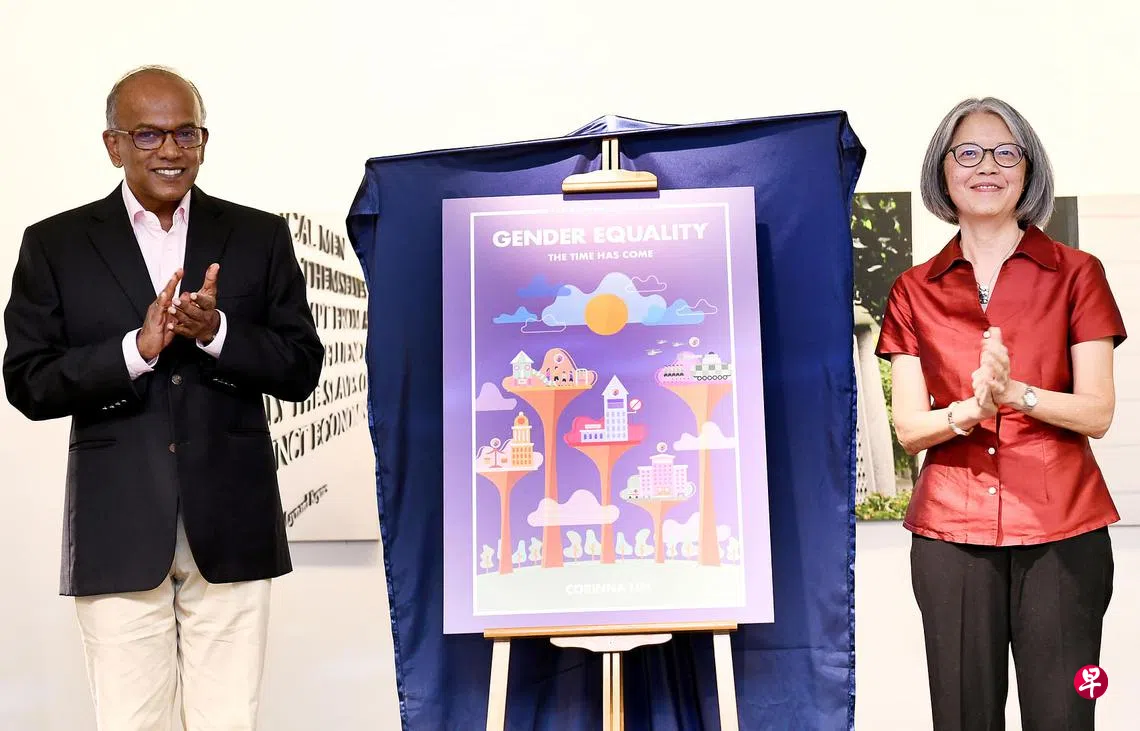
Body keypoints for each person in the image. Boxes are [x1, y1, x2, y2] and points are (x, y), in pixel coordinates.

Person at [2, 66, 323, 730]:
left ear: (204, 140)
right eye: (148, 134)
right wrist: (134, 350)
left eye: (186, 133)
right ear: (113, 144)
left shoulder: (259, 235)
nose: (170, 150)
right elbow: (28, 380)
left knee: (228, 720)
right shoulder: (55, 244)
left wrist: (218, 333)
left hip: (232, 522)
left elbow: (300, 367)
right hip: (117, 524)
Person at [875, 96, 1126, 730]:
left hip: (1064, 529)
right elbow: (909, 428)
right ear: (942, 171)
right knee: (962, 717)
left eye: (1005, 152)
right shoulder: (913, 289)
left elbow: (1098, 412)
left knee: (1066, 715)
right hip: (949, 532)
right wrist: (971, 408)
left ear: (1028, 168)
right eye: (967, 153)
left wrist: (1017, 394)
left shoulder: (1078, 274)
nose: (986, 166)